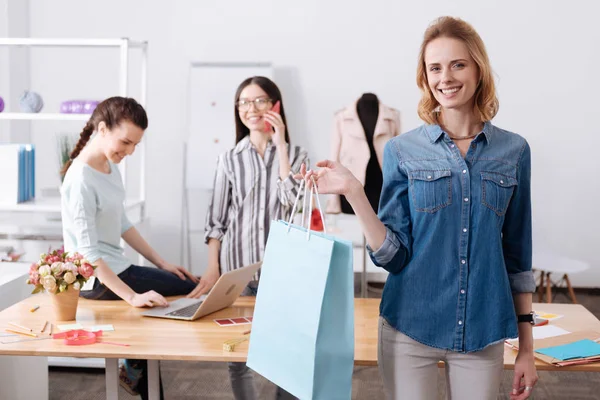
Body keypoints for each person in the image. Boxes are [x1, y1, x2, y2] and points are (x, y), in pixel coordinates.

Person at [298, 16, 538, 400]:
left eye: (458, 64)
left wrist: (527, 349)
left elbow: (517, 259)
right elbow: (392, 255)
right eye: (435, 67)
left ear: (478, 69)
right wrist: (355, 193)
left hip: (481, 329)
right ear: (425, 77)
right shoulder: (402, 150)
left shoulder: (514, 151)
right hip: (409, 329)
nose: (446, 77)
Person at [61, 96, 198, 400]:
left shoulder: (110, 166)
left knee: (183, 286)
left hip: (118, 268)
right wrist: (133, 297)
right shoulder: (81, 178)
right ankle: (135, 367)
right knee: (192, 287)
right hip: (97, 279)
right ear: (102, 129)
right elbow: (88, 255)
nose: (130, 151)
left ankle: (134, 366)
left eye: (135, 145)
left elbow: (123, 223)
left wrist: (162, 263)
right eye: (125, 142)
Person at [190, 76, 308, 400]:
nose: (250, 108)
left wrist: (281, 143)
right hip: (237, 269)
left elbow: (292, 199)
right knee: (238, 355)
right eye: (243, 102)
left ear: (275, 105)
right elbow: (216, 220)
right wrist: (213, 268)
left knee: (287, 350)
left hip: (282, 270)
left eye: (259, 101)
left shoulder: (297, 155)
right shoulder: (228, 159)